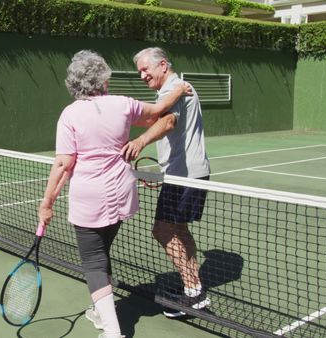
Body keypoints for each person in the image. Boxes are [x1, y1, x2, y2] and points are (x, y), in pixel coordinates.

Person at [38, 50, 191, 338]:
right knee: (101, 250)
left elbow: (63, 165)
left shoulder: (70, 114)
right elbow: (158, 110)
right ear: (103, 79)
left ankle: (112, 331)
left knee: (93, 262)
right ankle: (100, 310)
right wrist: (180, 89)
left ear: (74, 83)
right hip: (121, 194)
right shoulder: (122, 104)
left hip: (89, 199)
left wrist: (46, 204)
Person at [121, 47, 211, 318]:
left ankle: (194, 292)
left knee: (162, 230)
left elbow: (168, 122)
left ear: (162, 65)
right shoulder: (176, 88)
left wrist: (140, 141)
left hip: (183, 176)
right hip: (189, 173)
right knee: (178, 230)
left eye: (145, 69)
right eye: (139, 71)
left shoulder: (174, 88)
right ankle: (193, 291)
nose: (142, 75)